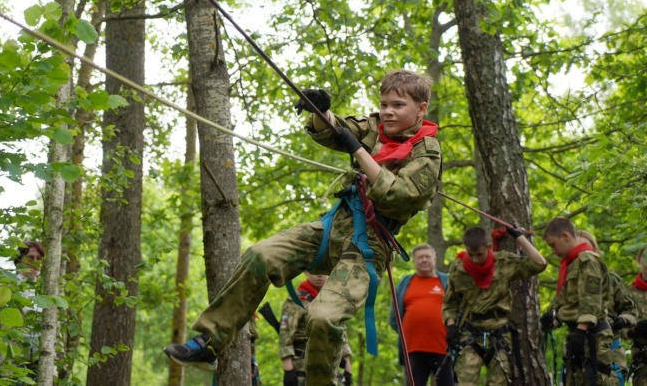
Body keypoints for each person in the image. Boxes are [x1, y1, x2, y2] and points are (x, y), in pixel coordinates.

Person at [163, 69, 442, 385]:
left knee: (323, 318)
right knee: (260, 255)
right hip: (333, 226)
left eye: (398, 105)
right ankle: (210, 342)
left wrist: (358, 151)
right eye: (384, 103)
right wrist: (321, 111)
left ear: (420, 109)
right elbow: (339, 130)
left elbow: (398, 196)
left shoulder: (427, 152)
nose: (388, 111)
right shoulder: (376, 127)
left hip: (368, 245)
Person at [443, 226, 547, 385]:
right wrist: (451, 326)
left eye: (480, 254)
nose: (475, 259)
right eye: (471, 255)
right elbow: (450, 303)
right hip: (470, 332)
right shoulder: (459, 269)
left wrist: (518, 237)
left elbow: (539, 264)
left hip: (499, 333)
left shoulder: (504, 263)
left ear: (489, 247)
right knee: (464, 381)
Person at [542, 217, 618, 385]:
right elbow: (568, 302)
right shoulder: (572, 264)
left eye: (553, 244)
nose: (553, 251)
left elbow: (591, 298)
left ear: (565, 236)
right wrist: (552, 318)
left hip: (592, 335)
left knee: (595, 380)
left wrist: (581, 329)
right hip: (578, 333)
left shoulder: (587, 260)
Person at [576, 230, 636, 385]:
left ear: (594, 250)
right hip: (579, 351)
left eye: (586, 247)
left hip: (609, 350)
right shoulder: (570, 282)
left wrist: (621, 321)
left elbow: (631, 311)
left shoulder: (611, 280)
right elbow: (557, 311)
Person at [389, 243, 452, 386]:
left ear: (434, 259)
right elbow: (394, 318)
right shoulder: (405, 283)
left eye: (427, 256)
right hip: (413, 350)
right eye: (420, 257)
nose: (424, 260)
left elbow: (458, 310)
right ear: (414, 261)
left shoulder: (447, 282)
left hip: (444, 349)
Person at [0, 241, 45, 377]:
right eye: (30, 257)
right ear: (19, 260)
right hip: (10, 363)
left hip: (39, 364)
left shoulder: (46, 291)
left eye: (39, 259)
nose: (35, 262)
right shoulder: (6, 287)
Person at [279, 272, 352, 386]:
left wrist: (348, 370)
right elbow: (285, 336)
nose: (320, 275)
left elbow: (342, 336)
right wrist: (288, 370)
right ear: (306, 272)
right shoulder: (296, 300)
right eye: (316, 271)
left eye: (324, 271)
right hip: (303, 367)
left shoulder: (334, 300)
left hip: (331, 365)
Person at [626, 247, 647, 386]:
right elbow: (616, 326)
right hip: (643, 365)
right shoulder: (628, 293)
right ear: (639, 260)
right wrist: (635, 329)